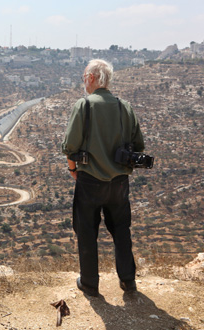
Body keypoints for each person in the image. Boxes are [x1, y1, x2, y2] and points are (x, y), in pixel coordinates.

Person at [61, 59, 145, 297]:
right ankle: (128, 281)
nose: (83, 82)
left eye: (83, 77)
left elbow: (70, 145)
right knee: (121, 229)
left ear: (90, 78)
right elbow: (139, 145)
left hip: (89, 181)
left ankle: (89, 283)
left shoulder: (84, 105)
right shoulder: (124, 107)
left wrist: (72, 170)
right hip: (119, 183)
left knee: (87, 230)